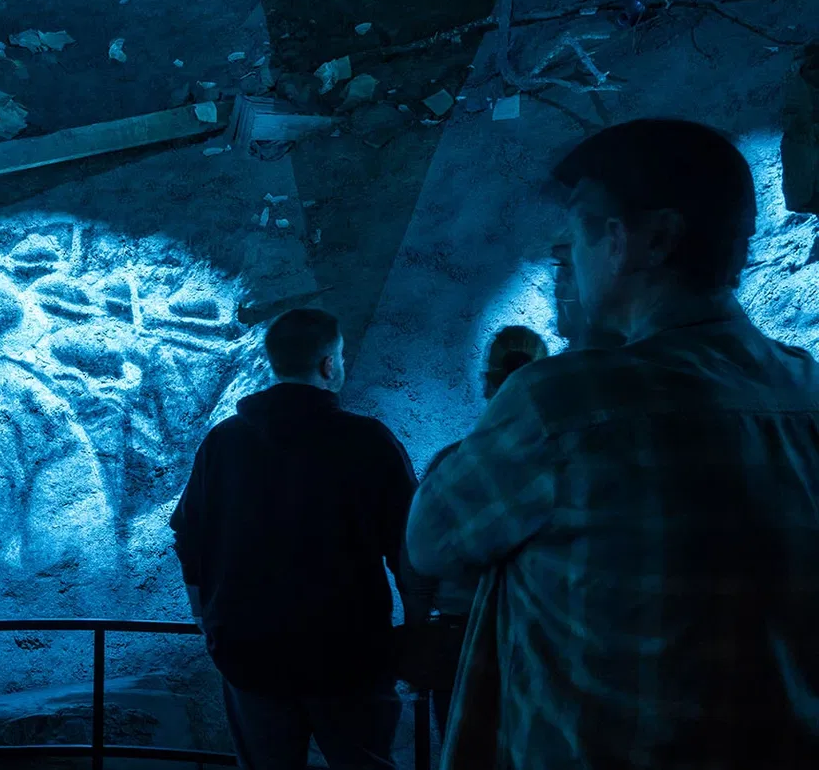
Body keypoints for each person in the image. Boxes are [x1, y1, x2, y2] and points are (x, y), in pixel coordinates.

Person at [408, 118, 819, 769]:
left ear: (647, 240)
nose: (568, 254)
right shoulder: (808, 388)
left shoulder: (564, 403)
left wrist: (589, 344)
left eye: (579, 229)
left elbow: (430, 539)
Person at [171, 308, 417, 770]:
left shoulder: (223, 443)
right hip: (347, 653)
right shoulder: (369, 442)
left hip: (249, 652)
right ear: (329, 365)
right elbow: (410, 545)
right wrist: (418, 628)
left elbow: (189, 532)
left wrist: (205, 615)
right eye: (339, 357)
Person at [401, 326, 549, 745]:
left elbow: (417, 569)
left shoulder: (454, 464)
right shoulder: (569, 458)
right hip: (540, 641)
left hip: (460, 643)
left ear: (487, 383)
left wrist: (419, 646)